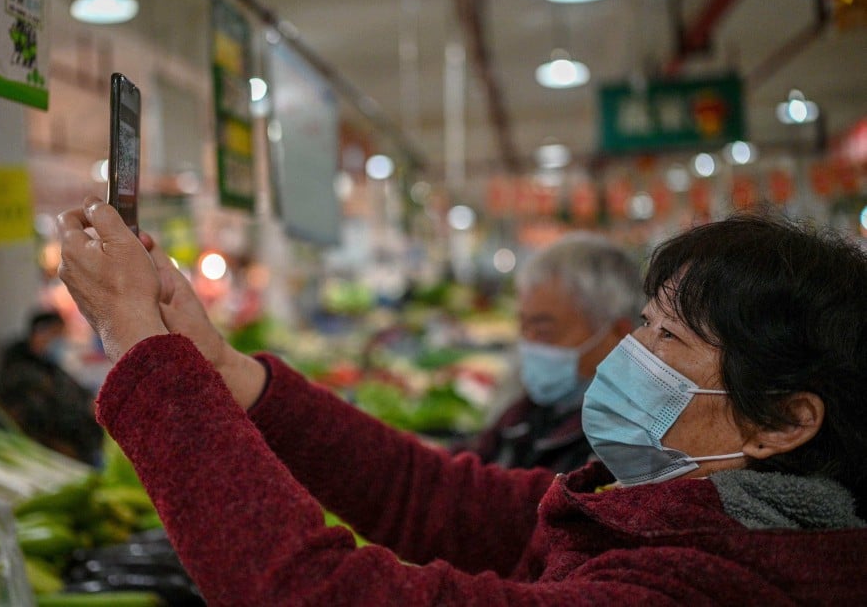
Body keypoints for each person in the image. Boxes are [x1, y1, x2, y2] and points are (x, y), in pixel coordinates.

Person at [57, 197, 867, 605]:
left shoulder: (707, 583)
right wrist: (226, 371)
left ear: (786, 420)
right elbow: (433, 497)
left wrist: (146, 356)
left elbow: (323, 596)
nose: (630, 355)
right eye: (641, 325)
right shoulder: (680, 510)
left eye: (667, 341)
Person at [451, 233, 644, 471]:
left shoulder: (625, 448)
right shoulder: (524, 413)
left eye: (544, 331)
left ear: (618, 334)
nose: (529, 345)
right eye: (524, 327)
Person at [0, 309, 103, 465]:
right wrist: (83, 407)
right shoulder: (20, 367)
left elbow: (71, 386)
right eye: (56, 335)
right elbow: (48, 403)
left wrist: (91, 401)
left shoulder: (47, 363)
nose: (59, 341)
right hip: (49, 440)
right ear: (41, 332)